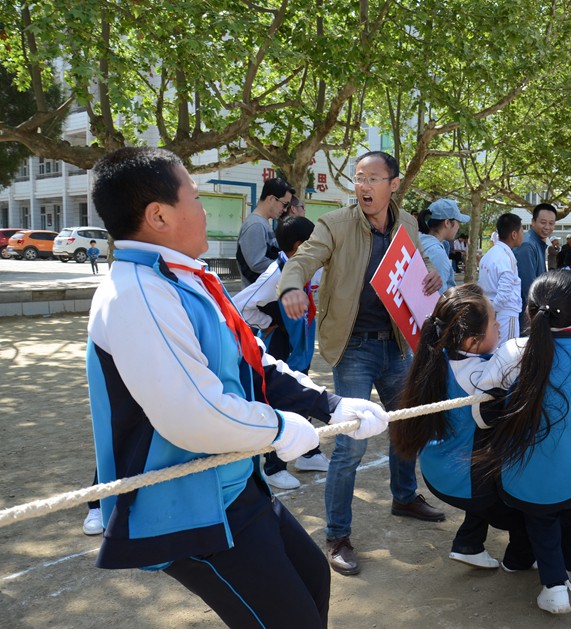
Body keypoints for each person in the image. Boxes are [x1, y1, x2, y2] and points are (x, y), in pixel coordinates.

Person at [86, 147, 390, 628]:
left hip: (232, 484)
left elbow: (253, 360)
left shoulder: (184, 277)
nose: (205, 208)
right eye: (195, 196)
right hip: (188, 510)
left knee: (314, 578)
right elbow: (193, 414)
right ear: (159, 215)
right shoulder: (137, 293)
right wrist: (279, 429)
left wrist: (327, 403)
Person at [277, 150, 445, 576]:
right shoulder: (334, 224)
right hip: (353, 346)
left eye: (373, 178)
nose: (364, 186)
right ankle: (337, 535)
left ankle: (404, 496)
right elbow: (303, 260)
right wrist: (292, 287)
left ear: (393, 184)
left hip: (397, 344)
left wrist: (432, 275)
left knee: (406, 426)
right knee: (350, 444)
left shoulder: (406, 223)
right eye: (358, 178)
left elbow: (417, 267)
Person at [473, 270, 571, 614]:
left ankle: (555, 586)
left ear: (529, 312)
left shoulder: (512, 352)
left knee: (541, 519)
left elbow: (482, 415)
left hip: (525, 476)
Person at [389, 284, 535, 572]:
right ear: (471, 341)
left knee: (482, 463)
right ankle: (519, 560)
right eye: (495, 323)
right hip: (462, 478)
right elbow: (515, 358)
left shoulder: (439, 355)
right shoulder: (481, 376)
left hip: (439, 468)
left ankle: (468, 544)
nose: (499, 328)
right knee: (523, 514)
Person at [233, 215, 331, 483]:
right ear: (300, 246)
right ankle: (275, 466)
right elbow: (238, 307)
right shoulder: (275, 274)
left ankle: (309, 453)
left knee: (303, 390)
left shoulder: (308, 268)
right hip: (281, 345)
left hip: (302, 344)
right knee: (284, 398)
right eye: (317, 243)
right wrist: (271, 322)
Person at [237, 177, 292, 287]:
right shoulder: (256, 225)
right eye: (284, 204)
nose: (285, 209)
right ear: (271, 199)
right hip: (258, 299)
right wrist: (289, 266)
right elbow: (257, 263)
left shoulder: (262, 223)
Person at [478, 213, 524, 341]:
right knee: (508, 356)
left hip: (492, 313)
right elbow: (504, 293)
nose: (522, 235)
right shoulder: (506, 256)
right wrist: (493, 312)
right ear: (514, 234)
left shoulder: (488, 255)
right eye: (521, 231)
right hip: (506, 315)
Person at [418, 199, 470, 294]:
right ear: (447, 223)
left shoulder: (419, 240)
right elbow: (440, 297)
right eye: (458, 222)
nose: (458, 227)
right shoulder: (437, 253)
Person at [513, 203, 556, 311]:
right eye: (543, 222)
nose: (547, 227)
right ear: (533, 222)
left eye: (551, 223)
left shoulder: (537, 243)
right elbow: (529, 288)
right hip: (526, 313)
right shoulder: (527, 246)